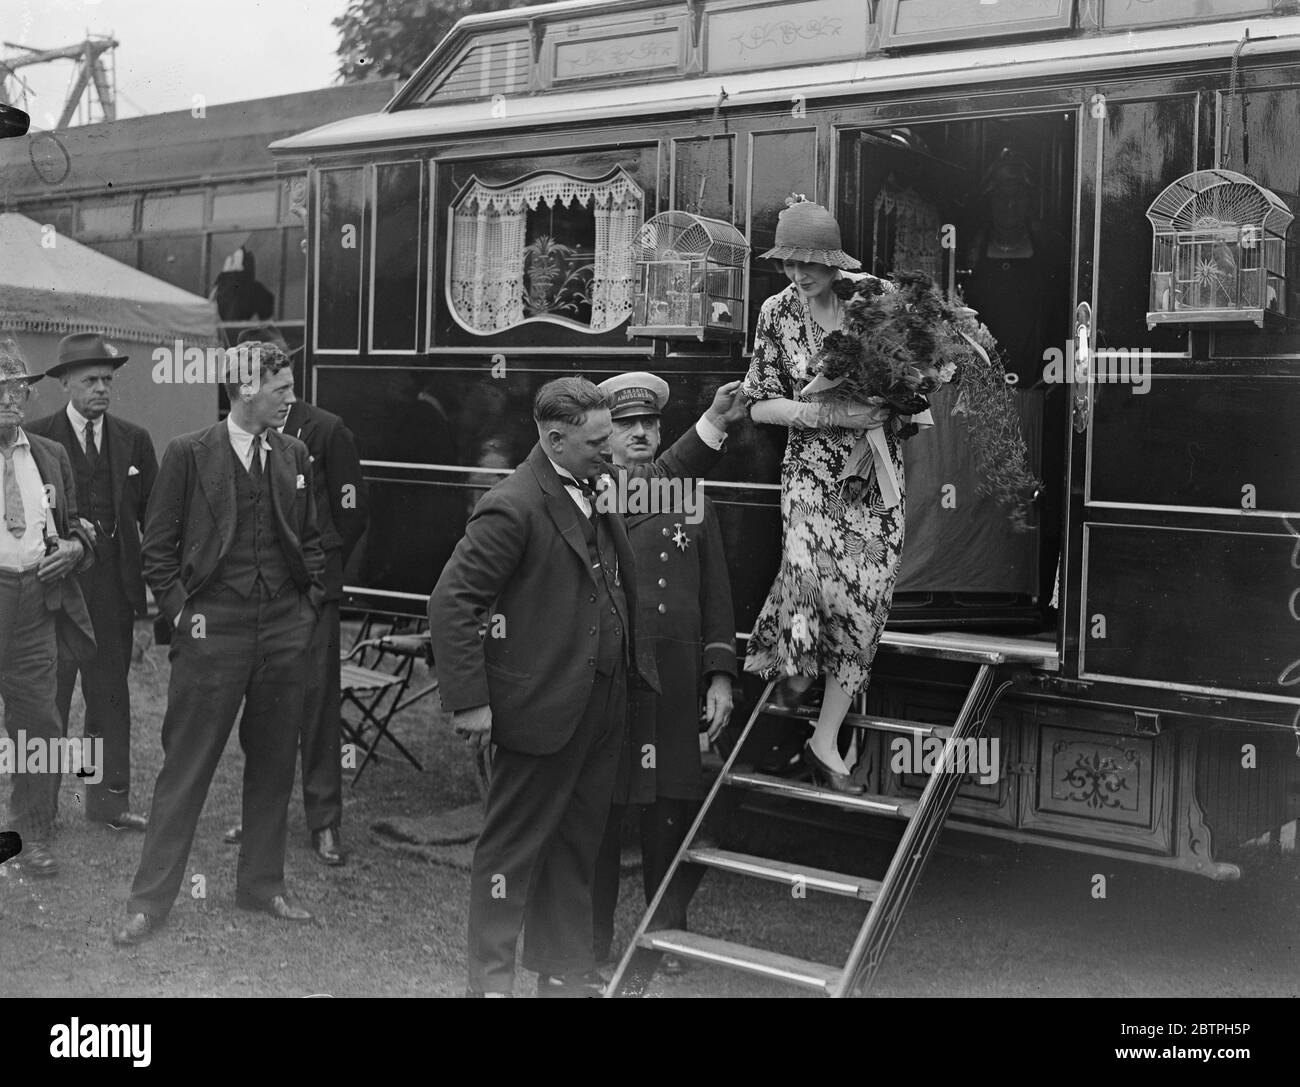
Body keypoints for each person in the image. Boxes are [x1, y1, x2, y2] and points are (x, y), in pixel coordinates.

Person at [428, 375, 746, 997]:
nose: (614, 449)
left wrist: (713, 420)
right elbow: (451, 603)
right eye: (600, 440)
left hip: (604, 707)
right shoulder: (513, 505)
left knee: (577, 846)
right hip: (540, 711)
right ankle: (489, 985)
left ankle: (564, 975)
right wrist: (469, 703)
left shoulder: (599, 483)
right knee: (509, 858)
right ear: (555, 439)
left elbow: (666, 471)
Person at [111, 342, 325, 946]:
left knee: (274, 762)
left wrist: (305, 611)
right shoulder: (188, 453)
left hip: (283, 628)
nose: (290, 396)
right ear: (244, 388)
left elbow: (311, 540)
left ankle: (262, 885)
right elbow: (158, 550)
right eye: (280, 386)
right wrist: (183, 616)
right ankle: (148, 902)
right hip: (213, 628)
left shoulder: (295, 453)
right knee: (186, 767)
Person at [742, 199, 918, 794]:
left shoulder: (873, 299)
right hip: (810, 475)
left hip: (874, 474)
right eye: (789, 264)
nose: (797, 276)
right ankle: (791, 676)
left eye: (808, 264)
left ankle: (826, 736)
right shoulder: (776, 313)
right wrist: (823, 413)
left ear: (832, 261)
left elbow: (916, 378)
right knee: (810, 580)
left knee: (866, 598)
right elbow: (759, 401)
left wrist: (895, 401)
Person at [590, 371, 737, 974]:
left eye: (649, 424)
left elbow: (717, 593)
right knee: (601, 813)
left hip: (674, 681)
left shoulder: (689, 496)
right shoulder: (595, 493)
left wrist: (720, 674)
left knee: (670, 809)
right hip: (615, 679)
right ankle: (592, 942)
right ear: (607, 434)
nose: (640, 434)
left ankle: (668, 933)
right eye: (626, 425)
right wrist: (713, 426)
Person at [221, 329, 368, 867]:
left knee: (318, 708)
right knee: (262, 710)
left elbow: (351, 514)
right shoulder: (234, 437)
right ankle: (261, 815)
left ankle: (324, 821)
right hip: (258, 602)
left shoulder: (325, 432)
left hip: (311, 599)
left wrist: (315, 576)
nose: (281, 393)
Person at [27, 333, 157, 832]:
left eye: (108, 379)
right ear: (64, 383)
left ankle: (108, 804)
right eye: (90, 380)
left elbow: (156, 518)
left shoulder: (134, 440)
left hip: (112, 595)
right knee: (49, 702)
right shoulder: (36, 439)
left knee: (108, 698)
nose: (102, 388)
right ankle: (41, 808)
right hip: (54, 593)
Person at [0, 349, 95, 878]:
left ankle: (28, 837)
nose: (11, 398)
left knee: (39, 723)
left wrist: (76, 547)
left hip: (37, 600)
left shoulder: (50, 454)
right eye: (0, 387)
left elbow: (80, 523)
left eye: (20, 388)